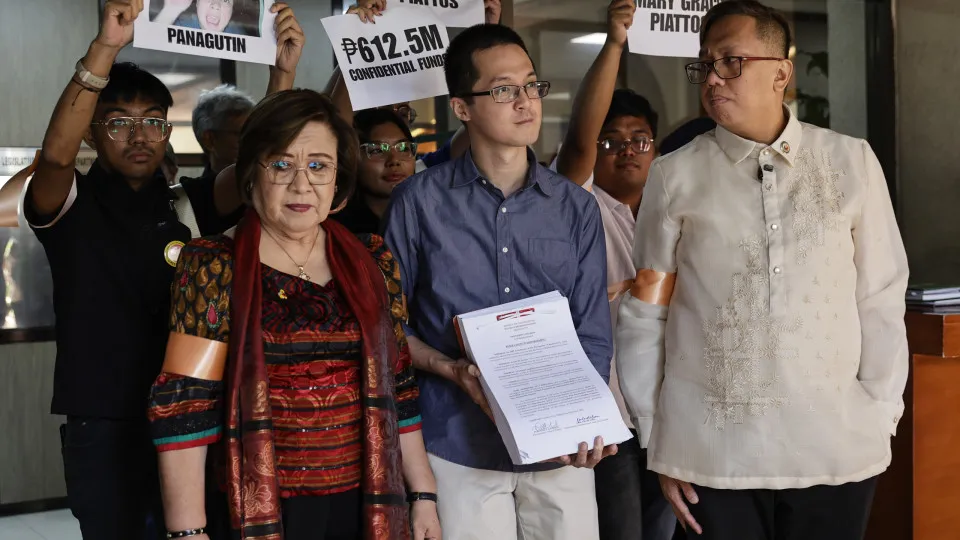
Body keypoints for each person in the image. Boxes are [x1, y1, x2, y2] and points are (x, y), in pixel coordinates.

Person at [615, 2, 909, 539]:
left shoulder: (851, 162)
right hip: (711, 454)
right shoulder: (674, 175)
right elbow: (646, 313)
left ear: (781, 73)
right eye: (705, 64)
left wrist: (882, 411)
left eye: (731, 61)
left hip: (836, 447)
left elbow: (881, 298)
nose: (713, 78)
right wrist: (658, 440)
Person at [24, 1, 305, 538]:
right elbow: (55, 158)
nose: (140, 136)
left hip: (196, 413)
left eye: (153, 122)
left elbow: (255, 164)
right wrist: (106, 47)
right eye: (120, 123)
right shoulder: (71, 203)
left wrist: (281, 74)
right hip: (105, 423)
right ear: (92, 133)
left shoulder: (189, 202)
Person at [148, 89, 442, 540]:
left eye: (319, 166)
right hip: (259, 506)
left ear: (339, 177)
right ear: (251, 173)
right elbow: (186, 406)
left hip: (366, 502)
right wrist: (187, 531)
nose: (302, 185)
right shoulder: (214, 265)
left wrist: (423, 494)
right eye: (282, 165)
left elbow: (398, 384)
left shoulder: (370, 260)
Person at [382, 23, 617, 540]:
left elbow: (592, 332)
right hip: (456, 441)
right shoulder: (417, 203)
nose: (526, 101)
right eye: (504, 89)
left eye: (531, 84)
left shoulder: (575, 208)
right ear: (462, 107)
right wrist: (450, 368)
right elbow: (388, 327)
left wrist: (588, 418)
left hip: (559, 446)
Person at [553, 1, 675, 539]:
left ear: (656, 148)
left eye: (640, 140)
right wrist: (615, 44)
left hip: (671, 408)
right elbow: (580, 139)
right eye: (612, 141)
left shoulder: (674, 210)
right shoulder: (577, 201)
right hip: (610, 412)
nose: (627, 150)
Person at [326, 0, 505, 169]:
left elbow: (478, 126)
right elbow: (337, 125)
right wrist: (357, 37)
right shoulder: (345, 173)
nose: (394, 162)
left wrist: (486, 36)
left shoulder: (424, 173)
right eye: (377, 150)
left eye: (403, 112)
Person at [180, 85, 255, 236]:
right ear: (210, 139)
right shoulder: (197, 194)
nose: (254, 141)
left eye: (254, 133)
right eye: (242, 133)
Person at [333, 108, 420, 234]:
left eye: (403, 148)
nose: (394, 160)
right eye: (377, 150)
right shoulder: (338, 232)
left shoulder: (430, 217)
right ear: (353, 158)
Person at [154, 0, 260, 36]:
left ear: (232, 11)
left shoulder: (239, 34)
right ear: (197, 3)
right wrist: (171, 10)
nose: (216, 5)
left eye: (226, 0)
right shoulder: (181, 25)